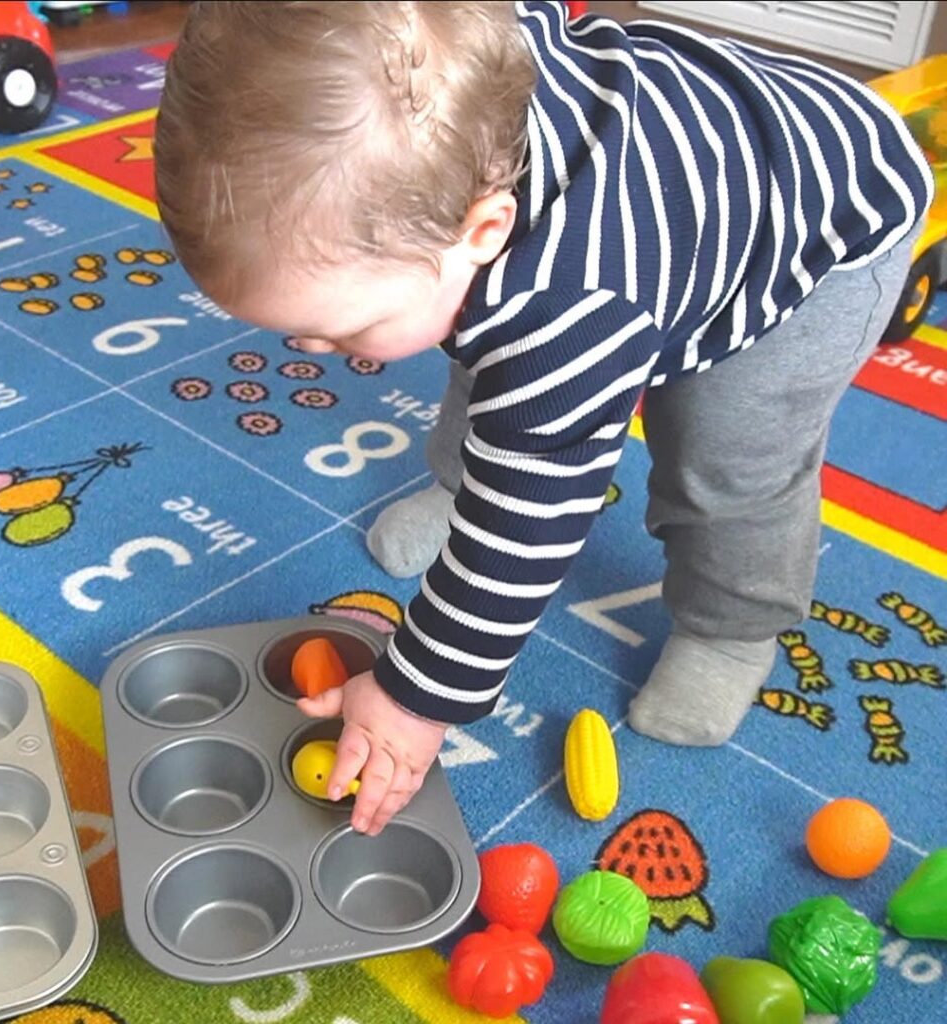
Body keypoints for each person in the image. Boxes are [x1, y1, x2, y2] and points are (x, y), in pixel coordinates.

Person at [154, 1, 932, 836]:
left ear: (484, 227)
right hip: (696, 160)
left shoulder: (572, 302)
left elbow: (532, 518)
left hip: (821, 225)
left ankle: (733, 625)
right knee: (485, 345)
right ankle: (458, 485)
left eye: (346, 329)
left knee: (726, 455)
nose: (315, 345)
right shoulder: (457, 89)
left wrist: (418, 695)